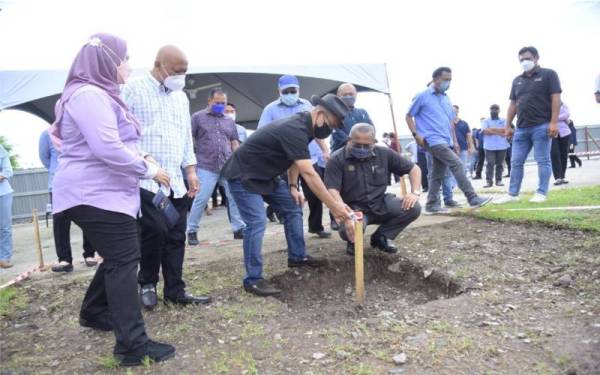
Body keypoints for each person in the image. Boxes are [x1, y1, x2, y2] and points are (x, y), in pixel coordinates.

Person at [50, 33, 174, 366]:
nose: (129, 65)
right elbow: (106, 147)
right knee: (124, 261)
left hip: (106, 193)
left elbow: (122, 140)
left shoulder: (101, 94)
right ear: (107, 60)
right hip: (93, 193)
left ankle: (93, 311)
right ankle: (132, 347)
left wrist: (145, 158)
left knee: (122, 255)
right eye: (125, 57)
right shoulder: (89, 95)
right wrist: (148, 171)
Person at [222, 94, 355, 297]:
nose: (329, 131)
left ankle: (297, 257)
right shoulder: (295, 128)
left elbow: (295, 160)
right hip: (244, 173)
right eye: (330, 124)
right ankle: (253, 280)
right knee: (257, 222)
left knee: (293, 207)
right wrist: (335, 207)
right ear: (319, 114)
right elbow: (309, 173)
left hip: (267, 175)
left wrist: (293, 186)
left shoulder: (306, 127)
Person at [121, 45, 211, 310]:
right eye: (176, 71)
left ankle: (175, 289)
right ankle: (147, 282)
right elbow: (123, 133)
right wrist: (145, 161)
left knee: (175, 235)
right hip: (147, 178)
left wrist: (191, 171)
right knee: (153, 232)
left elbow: (185, 137)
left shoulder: (180, 97)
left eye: (184, 72)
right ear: (159, 65)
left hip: (176, 181)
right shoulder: (133, 89)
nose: (180, 77)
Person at [325, 124, 422, 255]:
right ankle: (353, 242)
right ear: (349, 140)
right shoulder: (336, 159)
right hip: (352, 208)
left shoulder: (384, 154)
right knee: (350, 228)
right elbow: (332, 190)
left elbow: (414, 169)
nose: (361, 148)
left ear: (374, 142)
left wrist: (414, 192)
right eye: (357, 144)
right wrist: (344, 214)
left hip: (379, 203)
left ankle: (381, 237)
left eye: (366, 145)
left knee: (413, 208)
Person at [406, 67, 491, 214]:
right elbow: (408, 116)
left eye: (450, 80)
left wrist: (454, 142)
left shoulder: (446, 98)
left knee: (437, 174)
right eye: (446, 79)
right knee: (457, 164)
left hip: (445, 140)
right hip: (432, 140)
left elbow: (450, 122)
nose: (448, 82)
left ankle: (432, 204)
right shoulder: (422, 96)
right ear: (435, 79)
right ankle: (472, 197)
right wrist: (416, 134)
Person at [495, 46, 562, 204]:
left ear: (536, 58)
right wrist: (507, 126)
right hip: (521, 128)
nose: (524, 62)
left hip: (542, 126)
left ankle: (541, 192)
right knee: (515, 162)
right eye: (522, 60)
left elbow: (556, 98)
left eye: (527, 58)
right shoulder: (517, 80)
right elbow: (513, 104)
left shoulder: (549, 74)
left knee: (542, 160)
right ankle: (513, 194)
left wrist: (553, 122)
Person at [186, 88, 246, 244]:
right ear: (209, 101)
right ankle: (192, 230)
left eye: (223, 103)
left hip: (227, 164)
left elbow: (234, 141)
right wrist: (192, 156)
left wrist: (238, 159)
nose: (220, 105)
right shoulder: (197, 117)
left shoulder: (229, 120)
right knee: (202, 198)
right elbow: (189, 138)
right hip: (206, 164)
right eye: (217, 102)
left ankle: (238, 228)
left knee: (233, 197)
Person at [258, 75, 314, 224]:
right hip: (281, 159)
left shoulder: (307, 106)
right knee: (286, 192)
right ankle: (285, 214)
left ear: (298, 89)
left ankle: (312, 223)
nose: (289, 94)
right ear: (279, 91)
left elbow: (315, 129)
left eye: (292, 90)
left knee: (310, 189)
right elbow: (262, 133)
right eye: (286, 91)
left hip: (305, 156)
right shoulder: (270, 109)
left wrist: (323, 151)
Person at [39, 128, 97, 272]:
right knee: (60, 221)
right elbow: (45, 158)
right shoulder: (47, 134)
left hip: (83, 182)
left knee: (88, 218)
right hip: (58, 184)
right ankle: (64, 259)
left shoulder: (84, 129)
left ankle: (89, 254)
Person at [330, 83, 374, 153]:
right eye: (345, 94)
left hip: (363, 153)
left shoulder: (363, 112)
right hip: (340, 154)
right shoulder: (333, 113)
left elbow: (371, 129)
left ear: (356, 94)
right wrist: (354, 141)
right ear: (338, 96)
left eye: (351, 94)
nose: (348, 96)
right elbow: (336, 131)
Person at [480, 104, 510, 188]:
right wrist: (499, 132)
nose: (494, 110)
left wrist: (492, 129)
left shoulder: (504, 120)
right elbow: (485, 131)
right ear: (489, 110)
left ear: (499, 111)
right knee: (490, 163)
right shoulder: (485, 121)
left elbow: (506, 130)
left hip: (502, 145)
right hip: (489, 146)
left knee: (500, 163)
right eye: (492, 109)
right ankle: (489, 182)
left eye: (496, 109)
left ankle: (499, 180)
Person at [551, 103, 572, 185]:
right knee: (554, 154)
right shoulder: (547, 104)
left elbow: (567, 114)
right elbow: (546, 116)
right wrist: (559, 118)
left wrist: (554, 118)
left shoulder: (564, 105)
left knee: (564, 155)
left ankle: (562, 177)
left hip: (565, 132)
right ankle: (558, 178)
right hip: (552, 132)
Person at [0, 143, 14, 269]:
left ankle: (4, 258)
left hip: (3, 193)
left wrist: (1, 176)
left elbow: (8, 171)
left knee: (4, 227)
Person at [452, 105, 474, 175]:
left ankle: (462, 185)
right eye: (452, 110)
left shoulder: (464, 123)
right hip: (451, 148)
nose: (453, 111)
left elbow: (468, 136)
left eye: (455, 110)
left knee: (463, 167)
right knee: (452, 167)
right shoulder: (447, 123)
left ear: (458, 111)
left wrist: (471, 147)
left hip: (463, 148)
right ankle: (453, 185)